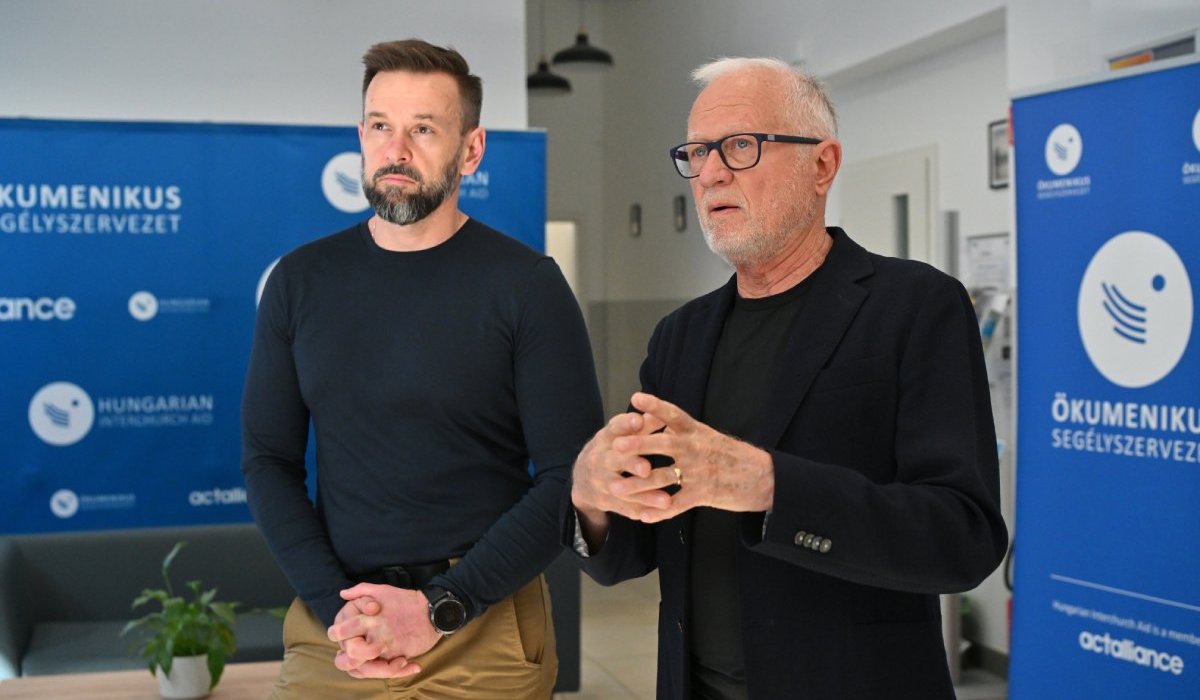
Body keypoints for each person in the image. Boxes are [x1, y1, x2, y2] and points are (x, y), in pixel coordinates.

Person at [565, 57, 1008, 700]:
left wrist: (770, 486)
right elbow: (632, 551)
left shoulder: (915, 308)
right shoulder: (680, 337)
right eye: (697, 152)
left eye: (740, 146)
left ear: (822, 165)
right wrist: (590, 497)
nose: (711, 172)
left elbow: (962, 538)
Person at [242, 38, 602, 699]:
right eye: (381, 126)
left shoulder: (527, 286)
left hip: (482, 625)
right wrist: (338, 609)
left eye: (424, 129)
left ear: (472, 149)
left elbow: (570, 477)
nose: (396, 150)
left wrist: (442, 606)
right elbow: (268, 461)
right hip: (341, 624)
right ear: (361, 136)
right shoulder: (300, 282)